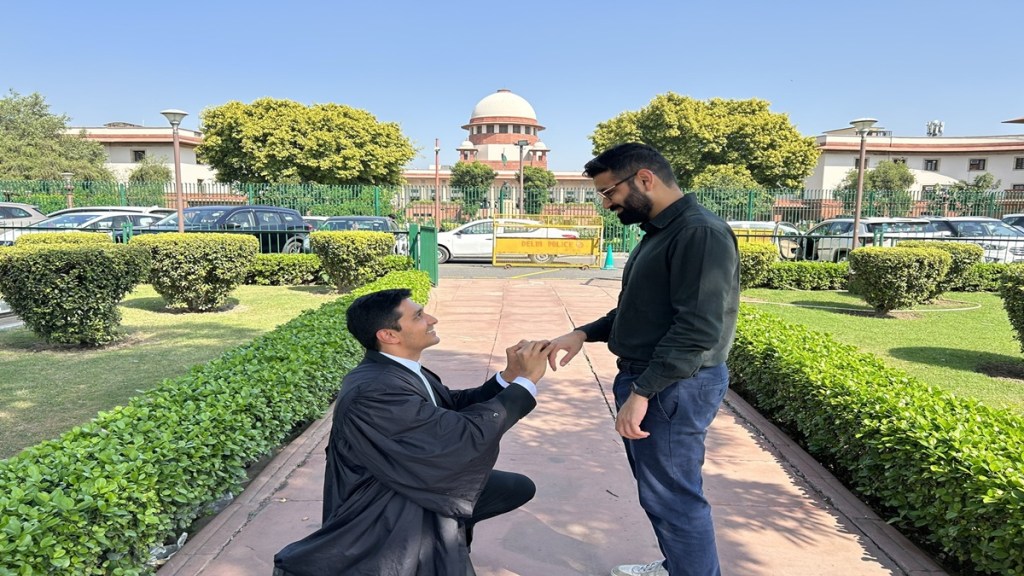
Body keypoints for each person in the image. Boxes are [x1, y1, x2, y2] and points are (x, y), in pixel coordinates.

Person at [545, 143, 740, 576]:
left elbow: (697, 329)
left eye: (609, 191)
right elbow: (640, 311)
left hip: (672, 385)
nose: (607, 202)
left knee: (674, 496)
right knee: (660, 492)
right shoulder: (662, 232)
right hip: (657, 380)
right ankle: (679, 566)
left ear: (645, 179)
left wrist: (643, 392)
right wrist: (582, 333)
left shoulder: (698, 233)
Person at [273, 288, 551, 576]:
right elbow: (458, 437)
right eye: (419, 315)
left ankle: (452, 531)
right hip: (381, 499)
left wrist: (509, 378)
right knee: (436, 554)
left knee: (514, 488)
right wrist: (527, 381)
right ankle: (435, 541)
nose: (432, 318)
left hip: (406, 474)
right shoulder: (374, 390)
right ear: (389, 335)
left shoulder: (397, 370)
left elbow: (448, 406)